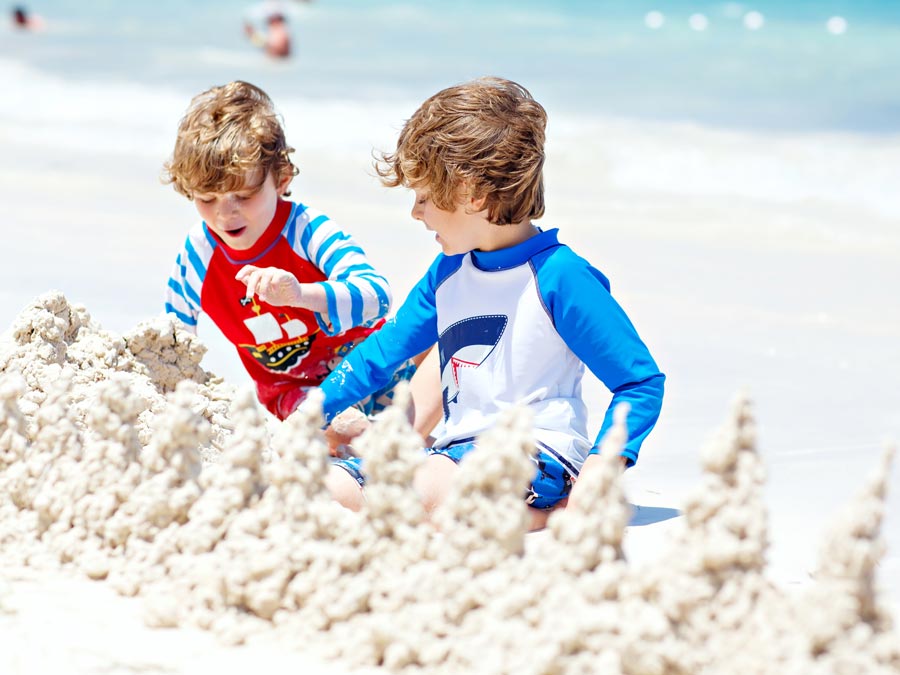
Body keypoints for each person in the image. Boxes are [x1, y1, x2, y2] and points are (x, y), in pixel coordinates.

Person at [317, 77, 665, 528]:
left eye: (424, 197)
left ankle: (542, 516)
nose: (415, 212)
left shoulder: (561, 277)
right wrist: (312, 412)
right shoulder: (447, 274)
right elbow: (380, 355)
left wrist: (603, 463)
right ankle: (527, 517)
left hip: (533, 450)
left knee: (418, 499)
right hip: (453, 448)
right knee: (329, 491)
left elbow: (640, 382)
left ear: (472, 194)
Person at [162, 81, 432, 441]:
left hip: (367, 364)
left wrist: (300, 295)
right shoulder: (200, 253)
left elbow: (376, 296)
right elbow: (173, 342)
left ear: (281, 179)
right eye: (207, 198)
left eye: (243, 195)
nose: (226, 214)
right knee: (345, 429)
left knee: (435, 348)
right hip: (292, 391)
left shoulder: (306, 231)